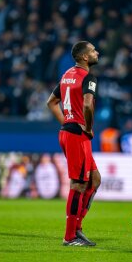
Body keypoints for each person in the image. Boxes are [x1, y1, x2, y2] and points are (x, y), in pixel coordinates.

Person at [47, 41, 102, 246]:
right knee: (78, 184)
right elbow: (88, 104)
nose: (97, 52)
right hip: (77, 135)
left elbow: (51, 102)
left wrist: (66, 122)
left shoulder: (67, 75)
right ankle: (69, 236)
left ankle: (77, 227)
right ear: (85, 57)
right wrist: (87, 127)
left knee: (94, 179)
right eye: (93, 50)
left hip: (69, 132)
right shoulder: (89, 77)